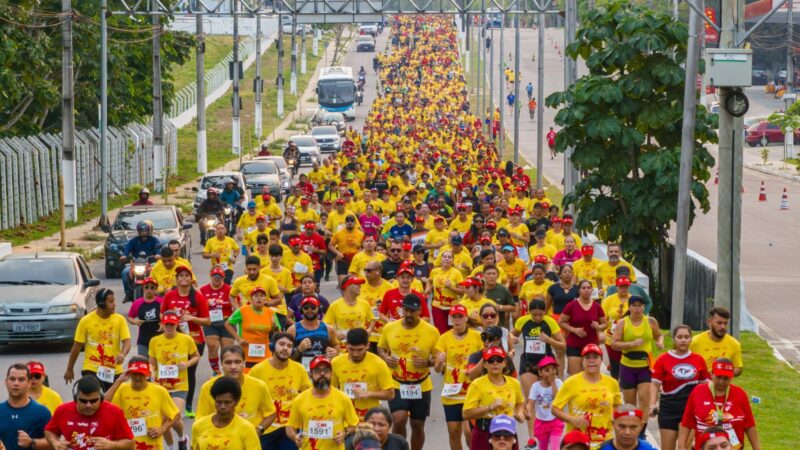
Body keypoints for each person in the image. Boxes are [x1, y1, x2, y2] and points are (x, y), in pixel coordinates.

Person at [377, 295, 440, 450]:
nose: (409, 314)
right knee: (399, 419)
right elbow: (381, 347)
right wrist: (386, 357)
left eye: (413, 311)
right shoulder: (390, 328)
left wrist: (428, 362)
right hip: (397, 382)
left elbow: (438, 356)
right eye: (406, 310)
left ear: (419, 311)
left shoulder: (431, 331)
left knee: (418, 424)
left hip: (421, 383)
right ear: (402, 309)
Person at [160, 265, 211, 418]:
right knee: (171, 369)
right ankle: (170, 402)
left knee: (188, 372)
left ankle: (188, 405)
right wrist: (170, 320)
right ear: (176, 279)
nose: (183, 278)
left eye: (186, 276)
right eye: (181, 276)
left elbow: (207, 321)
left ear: (191, 279)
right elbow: (162, 314)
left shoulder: (198, 296)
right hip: (173, 339)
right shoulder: (170, 295)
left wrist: (192, 318)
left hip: (194, 340)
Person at [677, 358, 760, 450]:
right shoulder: (698, 391)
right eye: (718, 377)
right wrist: (681, 446)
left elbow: (749, 425)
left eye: (726, 378)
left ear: (732, 377)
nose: (721, 382)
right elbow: (686, 422)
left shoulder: (740, 394)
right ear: (711, 374)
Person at [195, 346, 276, 438]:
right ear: (221, 364)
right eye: (228, 362)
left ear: (244, 363)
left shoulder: (259, 386)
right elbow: (200, 420)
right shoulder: (208, 387)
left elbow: (271, 413)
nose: (233, 367)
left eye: (237, 362)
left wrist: (258, 430)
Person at [651, 325, 710, 450]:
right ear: (674, 339)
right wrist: (652, 404)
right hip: (668, 410)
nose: (683, 340)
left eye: (686, 337)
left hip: (690, 411)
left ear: (691, 339)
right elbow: (655, 384)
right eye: (679, 337)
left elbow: (706, 386)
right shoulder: (663, 359)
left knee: (684, 448)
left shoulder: (698, 359)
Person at [249, 333, 312, 449]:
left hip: (291, 427)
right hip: (266, 428)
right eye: (281, 344)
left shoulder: (299, 369)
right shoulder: (257, 371)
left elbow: (308, 395)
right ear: (272, 346)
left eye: (289, 346)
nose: (285, 348)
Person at [433, 304, 483, 450]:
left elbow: (484, 359)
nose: (457, 320)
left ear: (466, 318)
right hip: (451, 392)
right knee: (454, 432)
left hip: (471, 391)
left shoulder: (477, 337)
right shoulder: (444, 338)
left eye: (460, 316)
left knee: (469, 432)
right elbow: (437, 369)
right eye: (454, 317)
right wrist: (439, 362)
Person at [552, 344, 622, 448]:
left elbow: (617, 406)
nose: (591, 360)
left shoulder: (612, 383)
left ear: (601, 360)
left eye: (595, 357)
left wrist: (613, 417)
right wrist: (572, 420)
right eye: (587, 357)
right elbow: (555, 409)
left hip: (605, 440)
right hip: (579, 443)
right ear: (582, 361)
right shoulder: (571, 382)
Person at [610, 296, 663, 429]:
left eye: (640, 305)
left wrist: (660, 342)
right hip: (627, 366)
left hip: (645, 366)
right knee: (630, 402)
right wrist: (632, 343)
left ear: (644, 307)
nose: (637, 308)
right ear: (630, 307)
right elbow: (614, 344)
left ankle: (642, 430)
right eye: (634, 305)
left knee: (644, 399)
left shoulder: (650, 321)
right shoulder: (623, 323)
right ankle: (632, 426)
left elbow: (659, 335)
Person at [105, 357, 181, 450]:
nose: (137, 377)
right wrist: (119, 381)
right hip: (128, 445)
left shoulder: (159, 391)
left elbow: (176, 414)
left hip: (152, 446)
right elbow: (104, 404)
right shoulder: (121, 389)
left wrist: (162, 429)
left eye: (141, 374)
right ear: (129, 374)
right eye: (134, 374)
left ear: (147, 374)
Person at [286, 356, 360, 450]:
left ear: (331, 373)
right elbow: (289, 427)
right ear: (310, 374)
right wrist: (295, 437)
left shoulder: (343, 398)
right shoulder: (300, 399)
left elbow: (355, 425)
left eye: (326, 370)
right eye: (317, 370)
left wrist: (345, 433)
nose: (322, 374)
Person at [148, 310, 200, 442]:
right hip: (161, 386)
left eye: (172, 324)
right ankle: (171, 447)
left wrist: (187, 364)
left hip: (180, 385)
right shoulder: (154, 341)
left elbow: (196, 356)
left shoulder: (186, 339)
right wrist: (151, 371)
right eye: (167, 324)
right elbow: (152, 363)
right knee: (163, 420)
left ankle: (182, 438)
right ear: (162, 325)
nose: (169, 327)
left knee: (175, 417)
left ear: (177, 324)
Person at [65, 288, 131, 390]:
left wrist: (122, 354)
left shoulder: (120, 320)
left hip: (114, 370)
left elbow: (127, 341)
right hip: (91, 369)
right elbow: (76, 347)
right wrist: (69, 369)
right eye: (111, 302)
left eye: (114, 301)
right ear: (101, 304)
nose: (114, 304)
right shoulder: (85, 321)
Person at [44, 376, 134, 450]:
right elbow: (49, 431)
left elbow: (130, 444)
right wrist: (55, 443)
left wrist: (111, 445)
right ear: (76, 398)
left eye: (93, 401)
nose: (88, 405)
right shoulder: (62, 411)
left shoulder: (115, 412)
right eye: (83, 401)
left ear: (101, 398)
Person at [462, 346, 526, 450]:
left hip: (507, 432)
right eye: (491, 360)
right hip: (484, 431)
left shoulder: (514, 383)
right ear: (484, 364)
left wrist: (519, 413)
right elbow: (466, 413)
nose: (495, 363)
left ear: (504, 363)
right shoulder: (477, 385)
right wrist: (489, 407)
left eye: (499, 360)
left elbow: (520, 403)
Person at [331, 328, 395, 419]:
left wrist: (369, 394)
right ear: (346, 346)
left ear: (368, 345)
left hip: (369, 418)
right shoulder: (336, 362)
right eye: (351, 349)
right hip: (345, 416)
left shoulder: (379, 364)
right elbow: (330, 390)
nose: (355, 354)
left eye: (360, 350)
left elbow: (390, 394)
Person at [190, 376, 261, 450]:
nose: (222, 407)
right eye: (219, 402)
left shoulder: (247, 429)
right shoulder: (199, 426)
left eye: (227, 402)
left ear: (236, 402)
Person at [558, 280, 607, 376]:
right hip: (574, 345)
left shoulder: (597, 306)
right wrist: (574, 330)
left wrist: (598, 326)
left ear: (592, 290)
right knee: (576, 376)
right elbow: (561, 322)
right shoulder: (571, 305)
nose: (586, 290)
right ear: (579, 290)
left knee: (591, 375)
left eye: (589, 288)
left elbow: (605, 324)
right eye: (583, 288)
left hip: (592, 346)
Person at [1, 363, 52, 450]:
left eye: (21, 380)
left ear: (29, 383)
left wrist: (32, 442)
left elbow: (54, 443)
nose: (16, 383)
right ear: (6, 382)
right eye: (12, 379)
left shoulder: (42, 412)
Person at [226, 286, 279, 368]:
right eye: (256, 296)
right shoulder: (242, 310)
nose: (259, 298)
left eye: (262, 296)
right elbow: (227, 324)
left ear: (265, 300)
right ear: (250, 299)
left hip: (264, 352)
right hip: (246, 351)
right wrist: (238, 338)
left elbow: (278, 334)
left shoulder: (270, 312)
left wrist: (275, 327)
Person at [287, 296, 339, 371]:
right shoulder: (293, 329)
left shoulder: (328, 329)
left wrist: (335, 352)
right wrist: (298, 350)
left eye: (313, 307)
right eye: (306, 307)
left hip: (322, 372)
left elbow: (336, 345)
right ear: (301, 310)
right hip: (301, 372)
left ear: (319, 309)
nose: (309, 310)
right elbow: (286, 357)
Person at [324, 276, 375, 351]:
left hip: (360, 348)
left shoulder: (365, 304)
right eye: (356, 284)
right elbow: (326, 324)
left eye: (360, 284)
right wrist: (336, 333)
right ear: (347, 286)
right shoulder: (335, 305)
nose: (360, 286)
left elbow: (372, 319)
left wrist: (369, 330)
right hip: (342, 348)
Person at [689, 307, 743, 376]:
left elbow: (738, 368)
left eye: (725, 323)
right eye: (719, 323)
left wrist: (722, 375)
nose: (723, 327)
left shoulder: (734, 343)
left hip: (723, 386)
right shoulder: (694, 342)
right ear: (709, 322)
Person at [200, 267, 234, 376]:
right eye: (215, 277)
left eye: (220, 277)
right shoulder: (203, 290)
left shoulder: (230, 289)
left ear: (223, 278)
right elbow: (198, 307)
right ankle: (216, 370)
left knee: (227, 350)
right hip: (211, 322)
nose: (217, 279)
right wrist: (207, 304)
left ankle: (227, 371)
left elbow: (237, 306)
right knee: (212, 346)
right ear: (211, 277)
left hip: (227, 322)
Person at [526, 357, 564, 450]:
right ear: (540, 373)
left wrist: (553, 383)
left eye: (553, 369)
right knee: (543, 448)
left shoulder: (558, 383)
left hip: (555, 420)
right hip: (541, 422)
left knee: (555, 448)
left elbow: (558, 401)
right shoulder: (535, 386)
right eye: (547, 370)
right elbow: (530, 403)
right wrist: (528, 411)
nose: (551, 373)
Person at [120, 220, 162, 302]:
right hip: (135, 264)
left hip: (151, 263)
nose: (143, 233)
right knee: (124, 272)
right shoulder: (134, 240)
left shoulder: (154, 240)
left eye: (145, 230)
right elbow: (128, 248)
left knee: (157, 272)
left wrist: (158, 254)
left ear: (149, 230)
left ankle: (158, 292)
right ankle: (128, 293)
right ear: (138, 231)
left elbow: (158, 248)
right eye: (141, 231)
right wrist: (124, 255)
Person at [601, 276, 633, 380]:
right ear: (616, 287)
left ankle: (626, 382)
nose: (623, 289)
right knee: (614, 361)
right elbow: (602, 318)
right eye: (621, 286)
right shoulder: (609, 300)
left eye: (626, 286)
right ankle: (615, 382)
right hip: (611, 336)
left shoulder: (632, 299)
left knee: (626, 360)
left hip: (628, 336)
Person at [429, 249, 465, 333]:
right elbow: (429, 281)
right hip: (437, 306)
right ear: (441, 259)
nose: (446, 259)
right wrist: (428, 288)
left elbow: (462, 292)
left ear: (452, 260)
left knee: (453, 331)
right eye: (444, 257)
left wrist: (451, 287)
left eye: (449, 257)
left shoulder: (457, 273)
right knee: (441, 331)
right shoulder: (434, 271)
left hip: (452, 307)